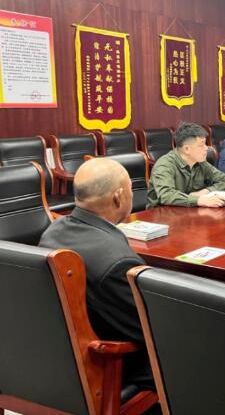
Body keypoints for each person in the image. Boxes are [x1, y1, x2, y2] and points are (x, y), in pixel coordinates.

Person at [39, 158, 152, 388]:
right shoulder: (118, 263)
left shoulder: (52, 231)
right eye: (131, 189)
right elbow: (150, 330)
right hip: (107, 365)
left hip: (56, 358)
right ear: (118, 197)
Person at [146, 122, 225, 208]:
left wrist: (205, 191)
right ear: (187, 149)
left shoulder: (200, 162)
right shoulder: (164, 165)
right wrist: (198, 200)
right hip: (162, 213)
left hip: (188, 210)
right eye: (201, 145)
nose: (206, 148)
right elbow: (166, 195)